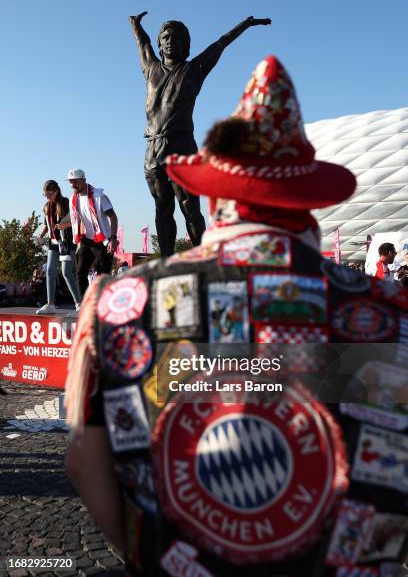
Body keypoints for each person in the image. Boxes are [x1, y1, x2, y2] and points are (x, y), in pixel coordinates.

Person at [65, 57, 408, 575]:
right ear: (308, 199)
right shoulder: (391, 309)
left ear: (215, 193)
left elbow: (83, 461)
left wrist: (148, 559)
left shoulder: (118, 302)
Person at [129, 12, 271, 256]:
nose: (171, 41)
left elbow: (221, 43)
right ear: (160, 44)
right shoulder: (150, 68)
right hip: (152, 149)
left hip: (181, 147)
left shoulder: (194, 69)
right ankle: (167, 261)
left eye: (177, 37)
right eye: (166, 37)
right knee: (162, 208)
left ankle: (203, 258)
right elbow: (143, 44)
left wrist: (245, 24)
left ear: (186, 46)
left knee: (189, 207)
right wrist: (135, 24)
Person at [60, 168, 119, 297]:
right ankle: (86, 305)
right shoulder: (73, 199)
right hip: (86, 239)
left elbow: (113, 217)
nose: (72, 185)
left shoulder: (99, 196)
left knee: (102, 274)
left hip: (103, 240)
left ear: (83, 180)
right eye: (70, 182)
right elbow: (77, 221)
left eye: (75, 181)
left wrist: (113, 238)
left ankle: (103, 306)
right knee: (80, 272)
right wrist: (79, 240)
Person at [35, 180, 81, 314]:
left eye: (49, 194)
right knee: (49, 271)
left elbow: (77, 220)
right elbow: (46, 225)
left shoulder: (66, 202)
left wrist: (65, 225)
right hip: (53, 243)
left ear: (56, 191)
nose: (47, 197)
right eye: (45, 194)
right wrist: (41, 236)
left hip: (66, 243)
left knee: (66, 272)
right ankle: (50, 304)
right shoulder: (47, 206)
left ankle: (79, 304)